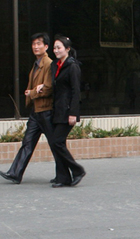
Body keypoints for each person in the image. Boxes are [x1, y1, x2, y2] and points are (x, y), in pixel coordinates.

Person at [0, 33, 54, 184]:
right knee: (27, 142)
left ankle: (67, 173)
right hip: (36, 112)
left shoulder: (48, 64)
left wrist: (31, 93)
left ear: (46, 47)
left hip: (46, 111)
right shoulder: (36, 64)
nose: (35, 47)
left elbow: (48, 88)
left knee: (55, 145)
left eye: (39, 44)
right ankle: (15, 173)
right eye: (33, 44)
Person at [49, 35, 86, 188]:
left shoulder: (72, 66)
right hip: (57, 110)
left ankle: (77, 170)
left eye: (59, 47)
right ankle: (63, 177)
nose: (56, 50)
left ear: (68, 49)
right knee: (58, 142)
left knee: (56, 141)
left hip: (67, 111)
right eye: (55, 47)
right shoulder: (55, 65)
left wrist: (73, 113)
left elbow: (76, 91)